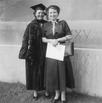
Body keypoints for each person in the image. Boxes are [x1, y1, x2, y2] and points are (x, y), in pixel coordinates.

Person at [42, 5, 74, 103]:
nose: (52, 14)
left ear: (58, 13)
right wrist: (51, 41)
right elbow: (42, 38)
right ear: (47, 14)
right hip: (51, 53)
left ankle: (63, 94)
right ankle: (57, 93)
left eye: (54, 12)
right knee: (53, 74)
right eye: (50, 13)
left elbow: (69, 36)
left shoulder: (63, 23)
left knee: (62, 72)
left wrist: (58, 40)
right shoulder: (45, 25)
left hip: (61, 52)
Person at [18, 3, 47, 100]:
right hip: (34, 52)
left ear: (44, 14)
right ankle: (35, 92)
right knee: (34, 72)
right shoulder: (30, 25)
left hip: (46, 51)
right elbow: (25, 39)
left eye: (42, 13)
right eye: (38, 13)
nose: (40, 15)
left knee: (45, 71)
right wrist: (25, 52)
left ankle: (46, 90)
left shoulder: (47, 24)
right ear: (34, 14)